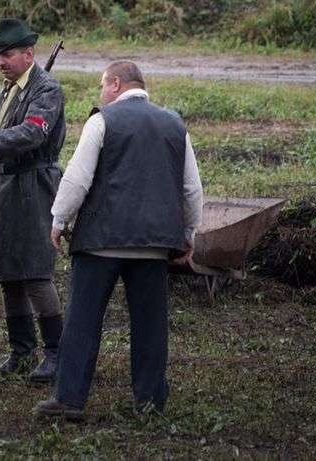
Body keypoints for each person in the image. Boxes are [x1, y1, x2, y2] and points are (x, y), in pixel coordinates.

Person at [34, 60, 202, 421]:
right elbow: (191, 188)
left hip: (100, 241)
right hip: (154, 245)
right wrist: (189, 233)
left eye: (101, 85)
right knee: (150, 327)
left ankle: (69, 399)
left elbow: (78, 179)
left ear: (114, 83)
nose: (100, 93)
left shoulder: (102, 120)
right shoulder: (175, 124)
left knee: (82, 321)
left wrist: (59, 220)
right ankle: (150, 403)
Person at [0, 18, 66, 383]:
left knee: (35, 271)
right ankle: (22, 351)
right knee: (6, 270)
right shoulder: (9, 87)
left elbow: (31, 133)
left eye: (7, 54)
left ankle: (57, 354)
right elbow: (2, 127)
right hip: (3, 185)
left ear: (29, 54)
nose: (1, 61)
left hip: (32, 186)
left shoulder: (47, 90)